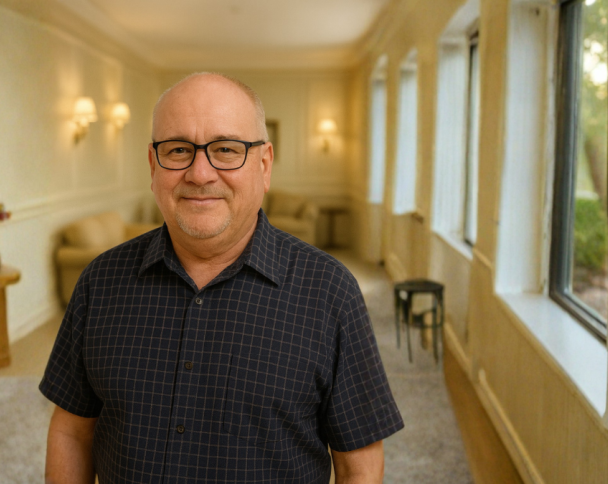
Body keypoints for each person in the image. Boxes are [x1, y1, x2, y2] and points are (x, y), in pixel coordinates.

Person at [41, 72, 403, 484]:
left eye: (226, 149)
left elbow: (359, 465)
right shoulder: (101, 282)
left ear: (264, 165)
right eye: (178, 150)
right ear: (153, 165)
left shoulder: (329, 291)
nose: (200, 174)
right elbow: (72, 431)